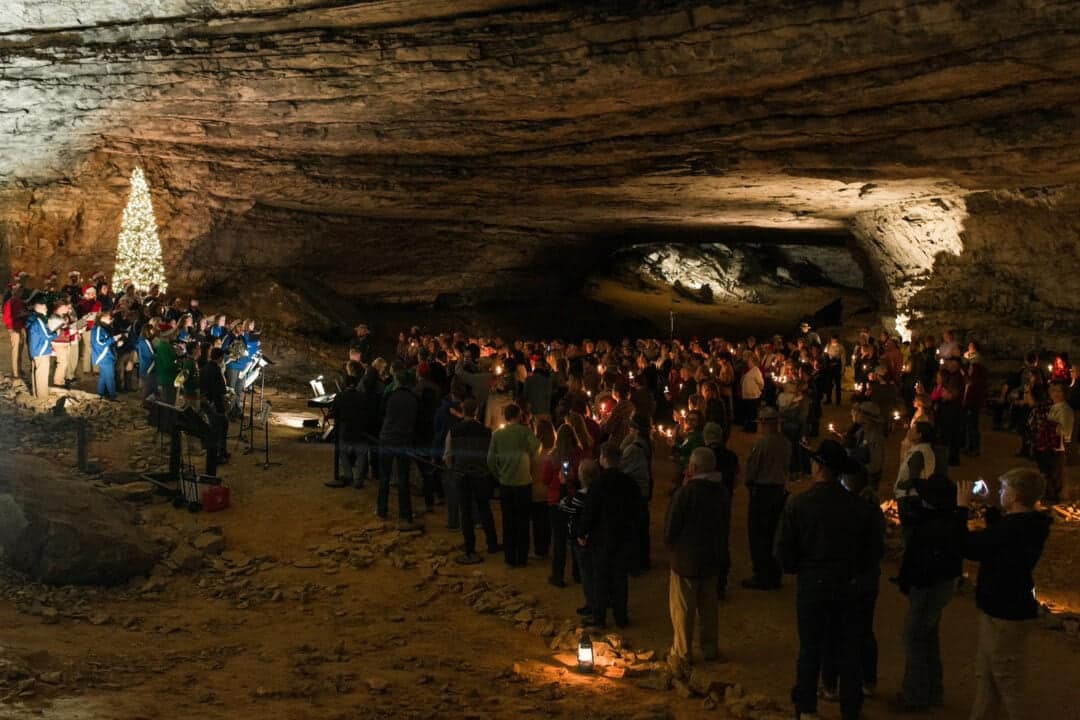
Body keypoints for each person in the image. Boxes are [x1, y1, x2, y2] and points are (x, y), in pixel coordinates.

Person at [775, 439, 884, 720]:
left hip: (813, 584)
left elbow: (783, 552)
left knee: (811, 647)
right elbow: (873, 552)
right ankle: (850, 708)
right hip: (847, 585)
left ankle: (807, 707)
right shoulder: (859, 508)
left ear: (820, 467)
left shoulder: (799, 505)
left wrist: (802, 568)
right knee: (848, 647)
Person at [956, 469, 1052, 720]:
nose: (1000, 492)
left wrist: (961, 509)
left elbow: (970, 546)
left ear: (1016, 494)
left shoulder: (1012, 529)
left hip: (1005, 610)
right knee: (987, 674)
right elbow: (999, 535)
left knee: (1008, 681)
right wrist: (991, 506)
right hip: (1004, 604)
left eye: (1003, 489)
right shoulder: (1031, 523)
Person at [892, 474, 965, 712]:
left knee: (913, 637)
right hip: (939, 584)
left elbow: (921, 563)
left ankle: (915, 695)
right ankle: (933, 690)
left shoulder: (934, 527)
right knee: (928, 636)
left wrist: (909, 582)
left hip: (928, 586)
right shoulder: (946, 521)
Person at [665, 446, 731, 669]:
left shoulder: (686, 493)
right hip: (712, 557)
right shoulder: (721, 492)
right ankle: (709, 647)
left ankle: (683, 652)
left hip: (686, 559)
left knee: (683, 608)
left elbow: (672, 526)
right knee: (709, 606)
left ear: (692, 468)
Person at [578, 442, 639, 628]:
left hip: (602, 537)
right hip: (623, 536)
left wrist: (582, 532)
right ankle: (621, 617)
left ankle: (599, 617)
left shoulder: (598, 484)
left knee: (601, 578)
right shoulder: (629, 483)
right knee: (620, 578)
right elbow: (637, 510)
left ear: (604, 458)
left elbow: (591, 511)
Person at [445, 398, 500, 564]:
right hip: (481, 475)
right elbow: (491, 456)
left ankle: (470, 548)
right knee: (484, 508)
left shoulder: (454, 431)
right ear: (476, 411)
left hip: (461, 474)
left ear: (463, 411)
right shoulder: (486, 431)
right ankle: (492, 543)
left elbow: (448, 454)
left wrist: (452, 467)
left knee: (466, 511)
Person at [742, 407, 790, 591]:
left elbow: (752, 470)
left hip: (763, 491)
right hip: (779, 489)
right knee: (775, 533)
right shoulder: (785, 443)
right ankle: (775, 573)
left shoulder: (762, 445)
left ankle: (762, 575)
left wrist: (750, 485)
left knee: (759, 535)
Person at [487, 404, 540, 567]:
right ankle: (522, 558)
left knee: (508, 521)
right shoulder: (525, 432)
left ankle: (509, 558)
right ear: (519, 415)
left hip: (505, 483)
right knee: (523, 522)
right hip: (523, 482)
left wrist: (498, 474)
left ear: (505, 416)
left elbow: (490, 459)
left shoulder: (497, 434)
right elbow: (536, 449)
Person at [377, 366, 423, 531]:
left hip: (387, 438)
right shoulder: (413, 399)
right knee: (403, 478)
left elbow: (381, 413)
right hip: (403, 440)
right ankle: (405, 513)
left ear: (397, 381)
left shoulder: (390, 395)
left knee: (384, 476)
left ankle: (382, 509)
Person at [620, 414, 654, 574]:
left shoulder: (634, 448)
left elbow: (622, 465)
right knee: (641, 526)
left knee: (634, 527)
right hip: (643, 488)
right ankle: (643, 560)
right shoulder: (646, 442)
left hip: (635, 491)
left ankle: (635, 563)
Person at [326, 371, 370, 489]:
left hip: (345, 431)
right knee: (361, 454)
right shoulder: (362, 396)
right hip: (360, 431)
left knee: (342, 452)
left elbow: (334, 412)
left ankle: (348, 474)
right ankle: (358, 480)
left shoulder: (340, 396)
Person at [199, 346, 231, 473]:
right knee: (221, 427)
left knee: (216, 427)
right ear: (220, 358)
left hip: (206, 402)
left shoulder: (205, 368)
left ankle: (221, 452)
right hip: (216, 404)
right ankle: (220, 454)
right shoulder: (216, 370)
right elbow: (221, 390)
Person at [27, 297, 56, 399]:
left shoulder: (32, 318)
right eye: (45, 308)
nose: (47, 310)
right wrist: (56, 333)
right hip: (41, 350)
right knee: (42, 374)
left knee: (37, 372)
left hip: (35, 349)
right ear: (39, 308)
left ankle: (36, 394)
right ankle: (42, 396)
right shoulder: (39, 320)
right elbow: (48, 335)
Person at [90, 310, 121, 400]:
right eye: (109, 318)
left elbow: (107, 341)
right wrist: (114, 339)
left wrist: (116, 343)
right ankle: (112, 396)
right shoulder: (98, 329)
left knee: (103, 377)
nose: (111, 320)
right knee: (110, 377)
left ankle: (99, 394)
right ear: (102, 318)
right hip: (103, 356)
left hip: (107, 355)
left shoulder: (104, 328)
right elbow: (99, 343)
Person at [2, 279, 26, 379]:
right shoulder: (9, 303)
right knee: (15, 351)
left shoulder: (20, 302)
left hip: (20, 327)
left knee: (20, 351)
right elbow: (6, 319)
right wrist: (18, 316)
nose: (20, 293)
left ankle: (19, 369)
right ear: (13, 291)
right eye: (18, 291)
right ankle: (15, 372)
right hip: (14, 328)